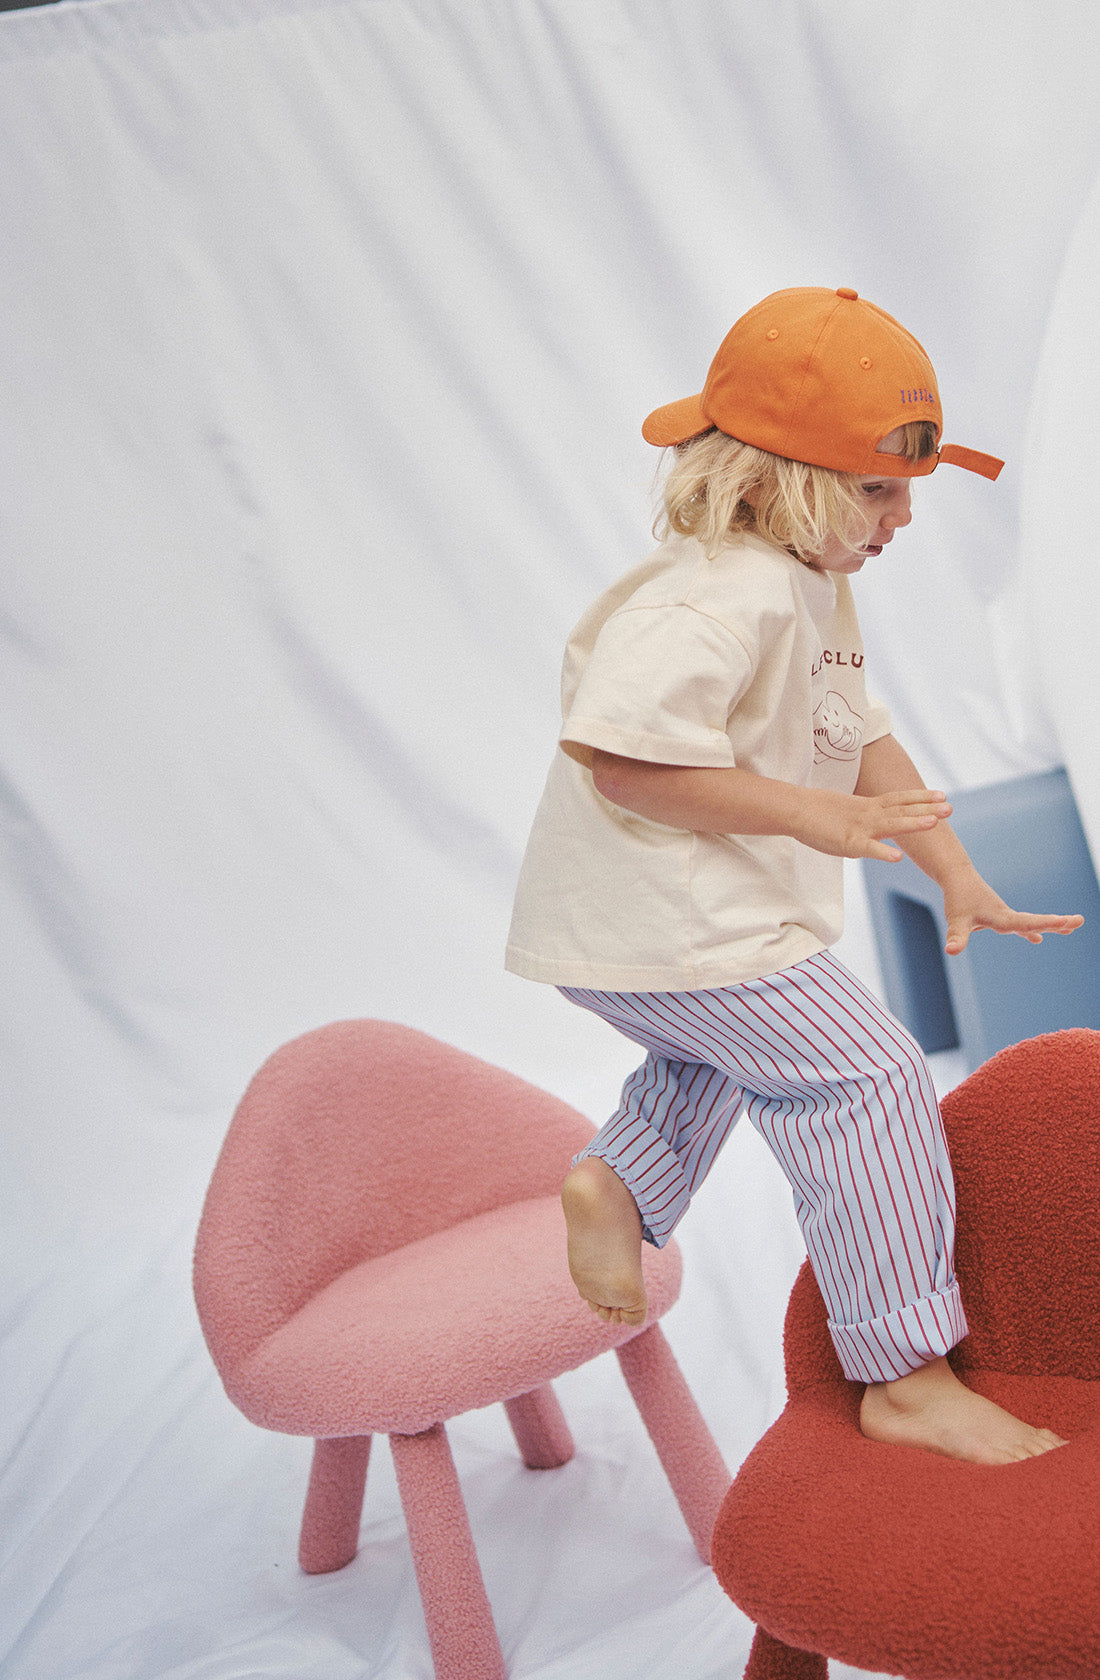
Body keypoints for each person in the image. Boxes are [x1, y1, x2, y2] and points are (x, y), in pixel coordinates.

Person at [505, 286, 1083, 1466]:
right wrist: (804, 814)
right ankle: (903, 1373)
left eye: (906, 486)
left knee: (725, 1058)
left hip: (655, 938)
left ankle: (616, 1185)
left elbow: (864, 739)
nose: (904, 514)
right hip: (671, 923)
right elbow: (623, 760)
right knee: (866, 1078)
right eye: (875, 488)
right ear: (765, 480)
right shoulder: (710, 596)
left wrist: (953, 874)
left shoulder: (802, 586)